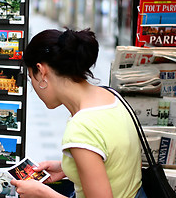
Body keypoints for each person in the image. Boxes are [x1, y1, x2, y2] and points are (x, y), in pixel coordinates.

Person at [10, 28, 146, 198]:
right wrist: (66, 168)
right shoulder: (111, 96)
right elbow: (115, 161)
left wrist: (41, 193)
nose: (35, 88)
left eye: (32, 77)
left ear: (42, 70)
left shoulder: (82, 128)